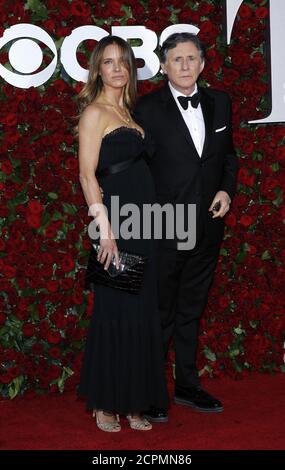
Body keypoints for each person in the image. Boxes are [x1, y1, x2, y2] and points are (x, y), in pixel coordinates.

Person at [135, 32, 238, 422]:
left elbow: (228, 157)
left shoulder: (221, 103)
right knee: (160, 311)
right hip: (165, 224)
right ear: (163, 65)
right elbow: (136, 168)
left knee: (192, 310)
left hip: (209, 225)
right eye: (176, 59)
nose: (184, 66)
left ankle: (188, 386)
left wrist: (226, 192)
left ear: (203, 64)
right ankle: (153, 391)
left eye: (191, 58)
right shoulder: (146, 109)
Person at [76, 35, 168, 432]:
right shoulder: (95, 113)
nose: (117, 68)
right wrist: (105, 231)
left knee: (141, 314)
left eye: (123, 62)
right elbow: (86, 175)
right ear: (97, 69)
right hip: (116, 225)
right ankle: (105, 404)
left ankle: (134, 402)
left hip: (145, 224)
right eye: (108, 62)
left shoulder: (130, 113)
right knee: (116, 313)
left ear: (130, 69)